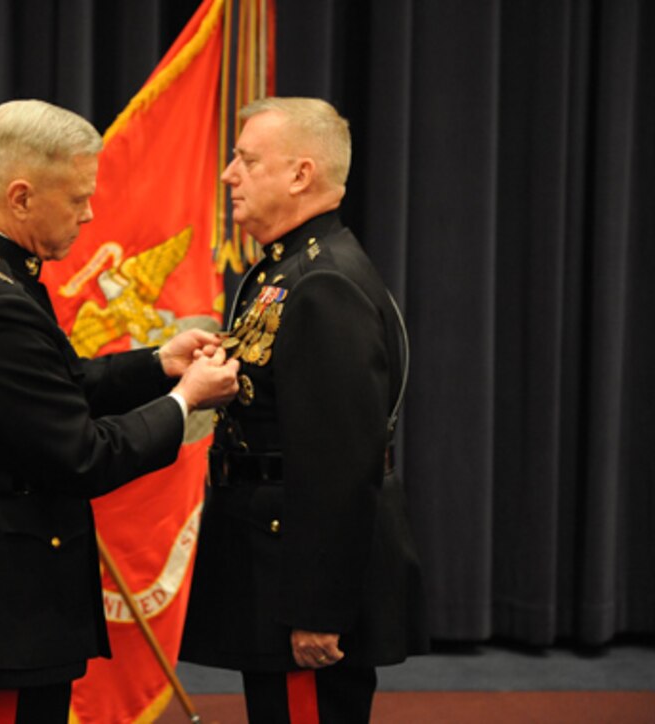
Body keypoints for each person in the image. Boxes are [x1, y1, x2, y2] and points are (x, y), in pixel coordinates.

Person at [0, 99, 240, 723]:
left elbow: (59, 386)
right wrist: (186, 402)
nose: (90, 213)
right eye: (78, 197)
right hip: (4, 600)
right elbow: (83, 456)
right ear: (21, 197)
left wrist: (161, 362)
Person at [180, 97, 429, 722]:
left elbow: (339, 465)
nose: (229, 174)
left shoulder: (322, 284)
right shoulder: (286, 271)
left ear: (300, 175)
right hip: (274, 557)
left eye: (247, 160)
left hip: (298, 574)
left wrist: (318, 608)